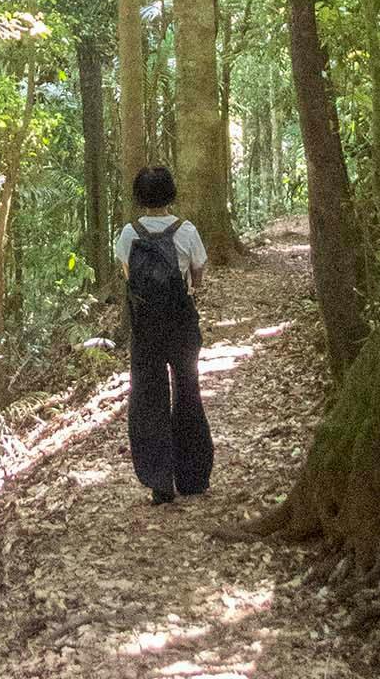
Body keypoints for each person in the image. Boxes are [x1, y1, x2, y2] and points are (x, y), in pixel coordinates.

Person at [115, 165, 214, 505]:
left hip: (145, 327)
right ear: (171, 193)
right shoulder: (186, 230)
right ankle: (193, 477)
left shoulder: (129, 234)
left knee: (148, 397)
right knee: (188, 392)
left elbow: (129, 276)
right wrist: (190, 288)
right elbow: (198, 273)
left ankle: (159, 481)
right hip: (181, 322)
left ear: (139, 196)